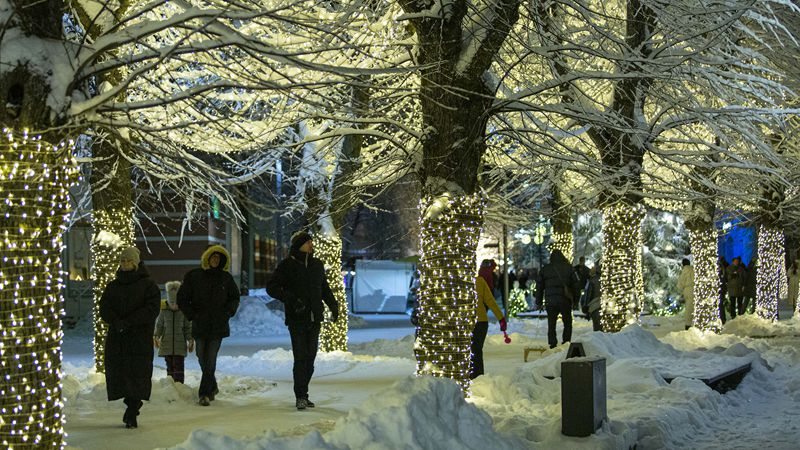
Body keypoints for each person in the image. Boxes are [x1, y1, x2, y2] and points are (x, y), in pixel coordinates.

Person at [266, 231, 339, 410]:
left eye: (311, 242)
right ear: (299, 245)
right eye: (308, 242)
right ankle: (300, 396)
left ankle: (303, 393)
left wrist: (333, 306)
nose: (311, 245)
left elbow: (324, 288)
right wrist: (290, 299)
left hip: (315, 319)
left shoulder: (316, 264)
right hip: (297, 319)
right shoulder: (287, 265)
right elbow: (272, 287)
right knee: (300, 358)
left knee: (310, 359)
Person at [99, 246, 160, 429]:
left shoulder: (148, 285)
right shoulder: (113, 286)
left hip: (138, 338)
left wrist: (130, 322)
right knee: (122, 375)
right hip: (118, 338)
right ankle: (131, 406)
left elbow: (152, 309)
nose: (125, 264)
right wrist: (116, 321)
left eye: (129, 261)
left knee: (137, 375)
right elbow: (105, 308)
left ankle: (133, 409)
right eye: (123, 261)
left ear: (136, 262)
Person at [177, 245, 240, 406]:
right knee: (201, 355)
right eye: (212, 257)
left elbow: (234, 297)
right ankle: (212, 386)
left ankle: (204, 394)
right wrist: (192, 315)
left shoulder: (226, 278)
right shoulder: (194, 276)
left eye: (218, 258)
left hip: (218, 325)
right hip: (200, 324)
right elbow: (182, 298)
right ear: (207, 258)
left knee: (210, 359)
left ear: (222, 261)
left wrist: (228, 312)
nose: (215, 260)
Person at [536, 249, 580, 348]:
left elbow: (539, 287)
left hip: (550, 301)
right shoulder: (569, 268)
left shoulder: (545, 269)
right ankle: (566, 341)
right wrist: (576, 300)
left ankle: (552, 342)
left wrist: (538, 302)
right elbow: (576, 286)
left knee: (551, 323)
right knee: (567, 322)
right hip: (565, 300)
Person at [154, 281, 193, 384]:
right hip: (166, 344)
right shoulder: (164, 312)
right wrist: (156, 336)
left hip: (180, 345)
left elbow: (187, 327)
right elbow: (160, 325)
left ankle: (179, 384)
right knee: (169, 365)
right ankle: (170, 384)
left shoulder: (183, 312)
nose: (174, 305)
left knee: (178, 365)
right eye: (172, 303)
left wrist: (190, 339)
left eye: (176, 303)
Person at [471, 275, 507, 379]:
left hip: (469, 322)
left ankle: (474, 376)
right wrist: (501, 318)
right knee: (477, 351)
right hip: (481, 322)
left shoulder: (458, 283)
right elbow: (490, 300)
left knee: (472, 351)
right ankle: (478, 377)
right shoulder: (479, 281)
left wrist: (501, 318)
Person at [580, 262, 602, 332]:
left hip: (595, 305)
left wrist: (585, 306)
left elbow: (588, 294)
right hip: (605, 305)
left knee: (597, 328)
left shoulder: (592, 280)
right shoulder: (607, 279)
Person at [676, 258, 695, 330]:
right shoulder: (693, 270)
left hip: (687, 290)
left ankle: (688, 324)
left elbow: (680, 283)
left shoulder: (684, 271)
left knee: (689, 308)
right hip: (693, 288)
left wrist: (681, 289)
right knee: (692, 307)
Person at [718, 257, 729, 324]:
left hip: (721, 288)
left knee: (720, 304)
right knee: (720, 304)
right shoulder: (723, 268)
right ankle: (722, 319)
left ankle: (722, 319)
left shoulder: (721, 268)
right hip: (722, 288)